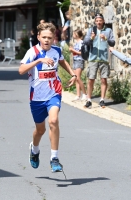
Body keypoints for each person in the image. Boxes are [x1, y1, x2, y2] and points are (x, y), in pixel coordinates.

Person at [19, 22, 77, 172]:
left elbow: (63, 62)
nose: (46, 40)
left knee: (53, 120)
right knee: (40, 130)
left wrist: (73, 74)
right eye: (44, 37)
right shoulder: (33, 52)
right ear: (38, 37)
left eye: (49, 38)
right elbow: (21, 70)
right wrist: (38, 60)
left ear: (54, 39)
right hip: (37, 98)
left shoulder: (56, 51)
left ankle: (54, 158)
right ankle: (35, 150)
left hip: (54, 93)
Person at [83, 13, 115, 109]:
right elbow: (85, 42)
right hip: (93, 58)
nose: (98, 22)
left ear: (103, 21)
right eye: (97, 21)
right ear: (95, 22)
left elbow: (113, 42)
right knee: (90, 79)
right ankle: (89, 100)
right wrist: (91, 38)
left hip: (104, 58)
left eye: (100, 20)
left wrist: (106, 38)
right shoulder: (91, 30)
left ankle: (102, 99)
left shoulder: (108, 30)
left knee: (103, 79)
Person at [69, 29, 87, 101]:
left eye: (74, 34)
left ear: (76, 34)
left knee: (78, 78)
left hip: (80, 61)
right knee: (76, 78)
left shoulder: (81, 43)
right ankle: (78, 94)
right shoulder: (77, 43)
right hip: (75, 60)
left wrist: (72, 50)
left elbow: (81, 53)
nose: (73, 35)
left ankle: (85, 94)